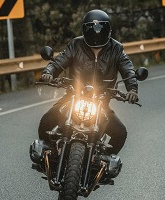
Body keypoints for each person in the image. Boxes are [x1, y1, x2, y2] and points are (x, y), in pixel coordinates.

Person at [38, 9, 138, 155]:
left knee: (120, 133)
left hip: (101, 102)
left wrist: (132, 90)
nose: (96, 32)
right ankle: (48, 152)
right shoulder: (76, 45)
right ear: (85, 30)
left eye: (100, 28)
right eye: (92, 28)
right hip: (73, 97)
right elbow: (59, 61)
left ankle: (103, 163)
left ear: (107, 30)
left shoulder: (116, 49)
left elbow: (128, 70)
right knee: (47, 120)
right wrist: (49, 72)